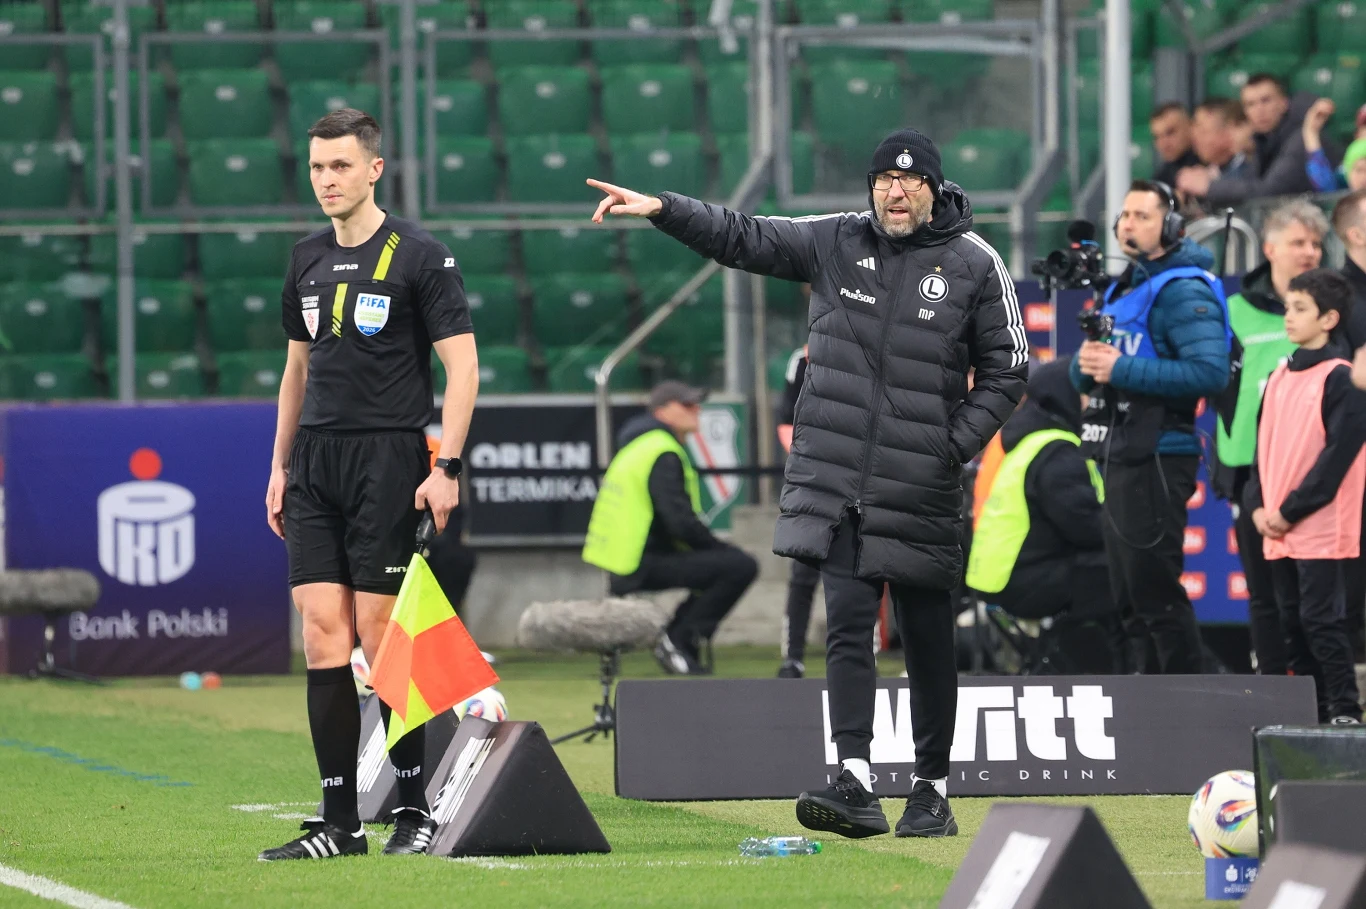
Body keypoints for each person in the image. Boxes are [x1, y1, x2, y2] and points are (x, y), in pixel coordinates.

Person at [587, 126, 1029, 839]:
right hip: (838, 483)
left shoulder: (976, 263)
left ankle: (932, 791)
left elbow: (1010, 371)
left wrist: (949, 448)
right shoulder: (835, 239)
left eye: (909, 181)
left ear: (934, 188)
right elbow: (742, 236)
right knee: (847, 626)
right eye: (884, 179)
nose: (894, 191)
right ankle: (854, 778)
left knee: (926, 639)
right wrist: (664, 209)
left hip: (920, 484)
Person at [260, 109, 478, 861]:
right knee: (322, 631)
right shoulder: (304, 258)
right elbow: (296, 370)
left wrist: (445, 467)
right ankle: (339, 824)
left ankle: (413, 808)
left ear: (374, 169)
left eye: (341, 166)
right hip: (314, 463)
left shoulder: (422, 256)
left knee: (383, 634)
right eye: (317, 168)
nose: (327, 180)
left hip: (388, 460)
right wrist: (279, 466)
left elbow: (463, 368)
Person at [1072, 180, 1231, 675]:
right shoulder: (1122, 288)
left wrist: (1120, 368)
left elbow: (1210, 373)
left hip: (1159, 455)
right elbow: (1087, 375)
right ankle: (1143, 707)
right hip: (1120, 450)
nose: (1128, 224)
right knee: (1129, 599)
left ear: (1172, 226)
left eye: (1143, 215)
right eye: (1125, 215)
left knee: (1155, 595)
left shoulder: (1184, 289)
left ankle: (1186, 704)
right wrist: (1086, 364)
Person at [1213, 199, 1328, 675]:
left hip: (1314, 468)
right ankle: (1274, 690)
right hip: (1247, 466)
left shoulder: (1330, 310)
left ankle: (1320, 691)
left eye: (1316, 243)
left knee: (1314, 596)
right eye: (1298, 242)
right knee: (1263, 593)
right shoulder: (1233, 309)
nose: (1309, 252)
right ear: (1270, 248)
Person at [1246, 268, 1366, 725]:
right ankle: (1310, 715)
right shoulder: (1279, 375)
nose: (1289, 317)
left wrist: (1289, 510)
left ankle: (1345, 712)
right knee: (1291, 622)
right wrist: (1259, 506)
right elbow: (1261, 450)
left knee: (1323, 622)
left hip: (1318, 526)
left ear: (1329, 319)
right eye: (1288, 307)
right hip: (1277, 524)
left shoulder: (1342, 379)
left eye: (1301, 309)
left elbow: (1335, 462)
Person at [582, 381, 758, 675]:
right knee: (739, 566)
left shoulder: (642, 444)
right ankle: (678, 640)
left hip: (624, 556)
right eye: (686, 405)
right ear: (662, 411)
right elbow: (678, 521)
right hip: (639, 560)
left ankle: (678, 638)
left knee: (727, 564)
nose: (696, 410)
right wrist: (719, 548)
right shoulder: (662, 449)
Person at [965, 357, 1116, 670]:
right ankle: (1099, 671)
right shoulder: (1057, 450)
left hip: (998, 577)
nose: (1092, 402)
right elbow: (1086, 527)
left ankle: (1069, 662)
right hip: (1022, 581)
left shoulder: (1030, 439)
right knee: (1120, 575)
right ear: (1065, 395)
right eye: (1085, 393)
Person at [1178, 74, 1334, 207]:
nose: (1259, 110)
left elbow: (1269, 192)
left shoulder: (1301, 137)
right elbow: (1248, 184)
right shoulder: (1261, 140)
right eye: (1250, 104)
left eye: (1266, 100)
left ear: (1283, 103)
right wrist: (1212, 179)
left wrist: (1209, 187)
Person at [776, 344, 820, 679]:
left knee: (863, 574)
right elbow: (785, 421)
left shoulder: (873, 342)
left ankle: (867, 655)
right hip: (814, 480)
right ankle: (793, 657)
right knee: (803, 572)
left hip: (862, 476)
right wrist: (807, 463)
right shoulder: (803, 357)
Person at [1302, 99, 1366, 192]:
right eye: (1359, 170)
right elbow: (1324, 181)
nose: (1364, 177)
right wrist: (1311, 132)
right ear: (1357, 134)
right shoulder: (1343, 179)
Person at [1150, 102, 1202, 187]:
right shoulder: (1160, 181)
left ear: (1190, 127)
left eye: (1170, 133)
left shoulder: (1214, 166)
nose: (1163, 143)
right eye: (1157, 137)